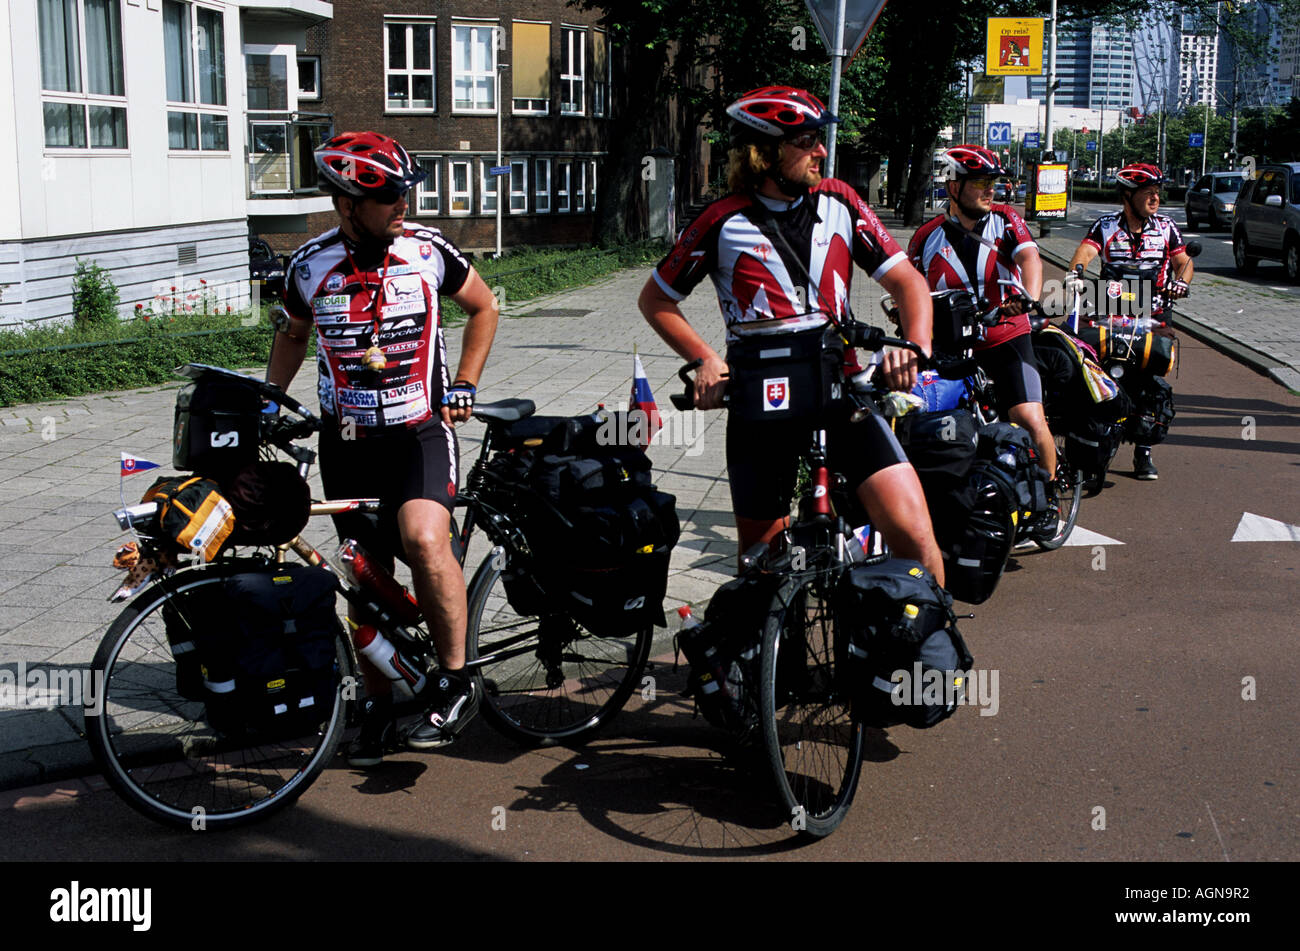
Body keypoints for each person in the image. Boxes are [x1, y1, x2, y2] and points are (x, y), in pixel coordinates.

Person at [636, 86, 945, 584]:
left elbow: (908, 281)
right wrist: (705, 359)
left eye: (819, 140)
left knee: (914, 533)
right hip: (763, 403)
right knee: (759, 564)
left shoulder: (840, 201)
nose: (821, 151)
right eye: (806, 141)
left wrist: (916, 346)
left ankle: (928, 657)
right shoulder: (721, 220)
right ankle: (770, 658)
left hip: (842, 392)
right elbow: (656, 299)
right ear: (765, 150)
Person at [266, 131, 500, 766]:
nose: (404, 204)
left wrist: (468, 383)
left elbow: (484, 307)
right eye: (389, 196)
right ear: (346, 203)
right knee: (366, 582)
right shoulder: (308, 267)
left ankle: (455, 681)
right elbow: (292, 336)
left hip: (419, 432)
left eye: (406, 191)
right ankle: (379, 705)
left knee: (425, 540)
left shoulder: (427, 252)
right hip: (346, 441)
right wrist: (268, 401)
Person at [907, 145, 1056, 537]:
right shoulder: (926, 237)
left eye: (993, 183)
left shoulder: (1006, 222)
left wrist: (1029, 297)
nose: (990, 191)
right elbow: (910, 288)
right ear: (953, 187)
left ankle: (1048, 499)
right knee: (927, 420)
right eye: (979, 183)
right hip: (951, 347)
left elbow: (1030, 260)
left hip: (1005, 336)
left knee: (1027, 417)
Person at [1066, 162, 1192, 480]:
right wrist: (1076, 275)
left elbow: (1183, 263)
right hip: (1112, 308)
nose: (1155, 198)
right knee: (1101, 375)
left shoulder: (1166, 227)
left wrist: (1182, 283)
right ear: (1127, 195)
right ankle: (1097, 441)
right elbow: (1083, 256)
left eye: (1157, 193)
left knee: (1149, 379)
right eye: (1148, 193)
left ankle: (1143, 452)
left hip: (1154, 313)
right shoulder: (1105, 226)